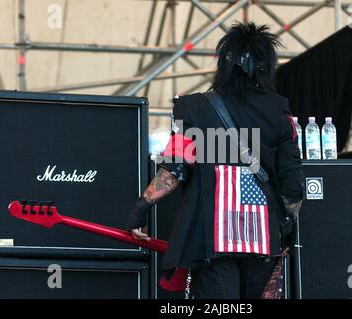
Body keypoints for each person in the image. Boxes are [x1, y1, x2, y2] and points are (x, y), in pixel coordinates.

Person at [127, 22, 305, 299]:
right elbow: (293, 188)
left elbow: (174, 168)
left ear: (224, 63)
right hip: (263, 240)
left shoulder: (195, 108)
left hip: (211, 239)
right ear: (266, 65)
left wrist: (141, 208)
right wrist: (284, 228)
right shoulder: (279, 111)